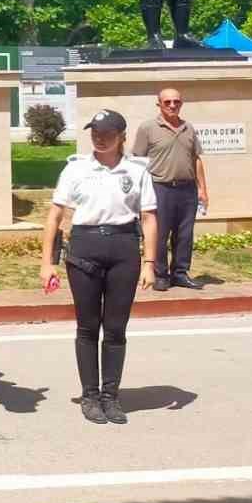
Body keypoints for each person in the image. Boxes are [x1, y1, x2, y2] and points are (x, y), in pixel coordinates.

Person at [39, 109, 159, 425]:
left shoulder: (137, 171)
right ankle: (90, 396)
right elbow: (54, 216)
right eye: (94, 131)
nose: (99, 137)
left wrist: (150, 263)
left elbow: (148, 217)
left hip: (123, 249)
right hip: (84, 249)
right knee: (88, 327)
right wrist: (47, 263)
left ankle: (111, 396)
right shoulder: (76, 169)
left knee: (116, 329)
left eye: (106, 133)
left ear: (122, 136)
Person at [130, 87, 207, 290]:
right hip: (159, 188)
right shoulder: (148, 128)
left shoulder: (188, 128)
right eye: (167, 102)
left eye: (177, 102)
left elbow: (196, 158)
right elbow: (137, 160)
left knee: (185, 234)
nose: (173, 105)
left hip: (187, 189)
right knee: (160, 233)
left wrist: (202, 189)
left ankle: (180, 273)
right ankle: (160, 274)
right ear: (159, 104)